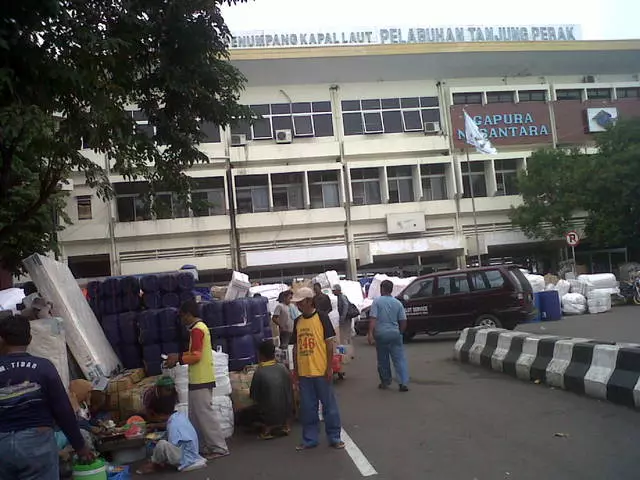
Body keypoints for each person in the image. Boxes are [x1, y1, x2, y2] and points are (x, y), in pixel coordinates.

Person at [0, 314, 93, 480]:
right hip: (37, 443)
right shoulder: (44, 367)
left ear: (2, 340)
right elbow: (63, 410)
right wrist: (80, 445)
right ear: (29, 339)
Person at [165, 299, 229, 460]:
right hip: (198, 379)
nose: (182, 320)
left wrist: (178, 358)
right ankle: (204, 446)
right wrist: (178, 357)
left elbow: (196, 356)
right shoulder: (198, 329)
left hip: (201, 379)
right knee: (196, 416)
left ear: (188, 314)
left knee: (205, 415)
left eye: (182, 316)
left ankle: (219, 447)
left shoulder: (197, 330)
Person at [290, 287, 344, 451]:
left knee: (329, 406)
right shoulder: (298, 321)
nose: (298, 306)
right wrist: (296, 371)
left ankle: (334, 437)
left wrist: (329, 368)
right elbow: (295, 347)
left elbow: (329, 344)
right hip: (305, 373)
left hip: (320, 371)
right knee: (308, 408)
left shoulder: (322, 317)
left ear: (308, 301)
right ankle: (310, 439)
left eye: (300, 302)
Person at [136, 380, 207, 475]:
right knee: (161, 442)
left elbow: (172, 444)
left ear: (158, 414)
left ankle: (154, 465)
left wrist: (159, 450)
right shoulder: (178, 416)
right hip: (191, 452)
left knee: (161, 445)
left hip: (187, 458)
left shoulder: (174, 425)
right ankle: (156, 461)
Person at [240, 340, 292, 439]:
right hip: (286, 412)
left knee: (245, 412)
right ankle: (286, 426)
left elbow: (254, 396)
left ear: (261, 355)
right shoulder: (283, 368)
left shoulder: (259, 372)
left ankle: (267, 429)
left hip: (268, 414)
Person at [368, 280, 410, 392]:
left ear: (382, 289)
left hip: (381, 334)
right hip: (395, 333)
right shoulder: (397, 303)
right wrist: (400, 332)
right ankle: (403, 382)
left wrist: (370, 334)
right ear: (391, 289)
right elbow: (403, 321)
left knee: (383, 359)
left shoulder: (377, 302)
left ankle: (385, 381)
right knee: (399, 359)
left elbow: (373, 319)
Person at [332, 284, 353, 351]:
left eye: (334, 291)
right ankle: (350, 351)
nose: (333, 292)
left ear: (338, 290)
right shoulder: (339, 297)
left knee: (344, 335)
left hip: (346, 319)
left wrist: (342, 317)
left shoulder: (342, 297)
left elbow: (345, 306)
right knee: (347, 335)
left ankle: (347, 352)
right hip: (346, 318)